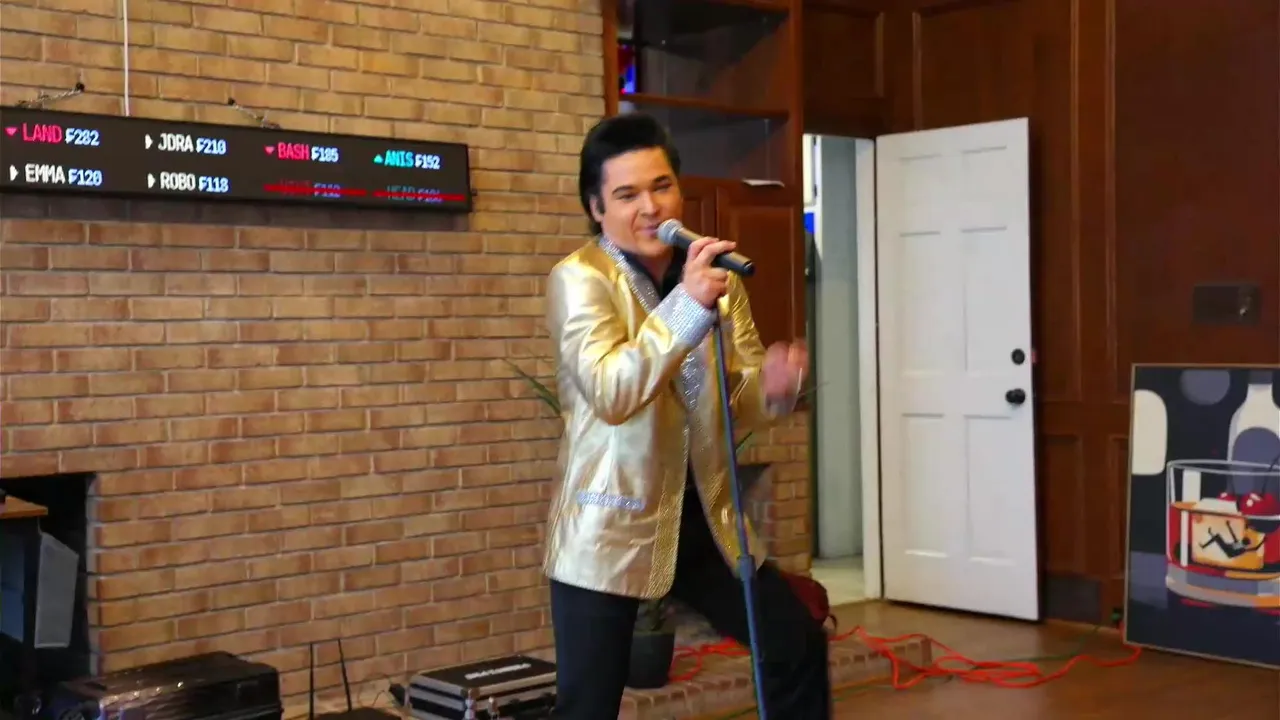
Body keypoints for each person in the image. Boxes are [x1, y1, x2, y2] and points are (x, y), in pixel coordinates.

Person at [541, 111, 832, 718]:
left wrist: (775, 386)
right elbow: (612, 392)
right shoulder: (580, 279)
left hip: (702, 517)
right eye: (627, 195)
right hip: (610, 521)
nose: (650, 207)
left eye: (662, 186)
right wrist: (687, 305)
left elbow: (739, 399)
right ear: (597, 208)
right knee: (587, 706)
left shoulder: (715, 279)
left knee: (795, 643)